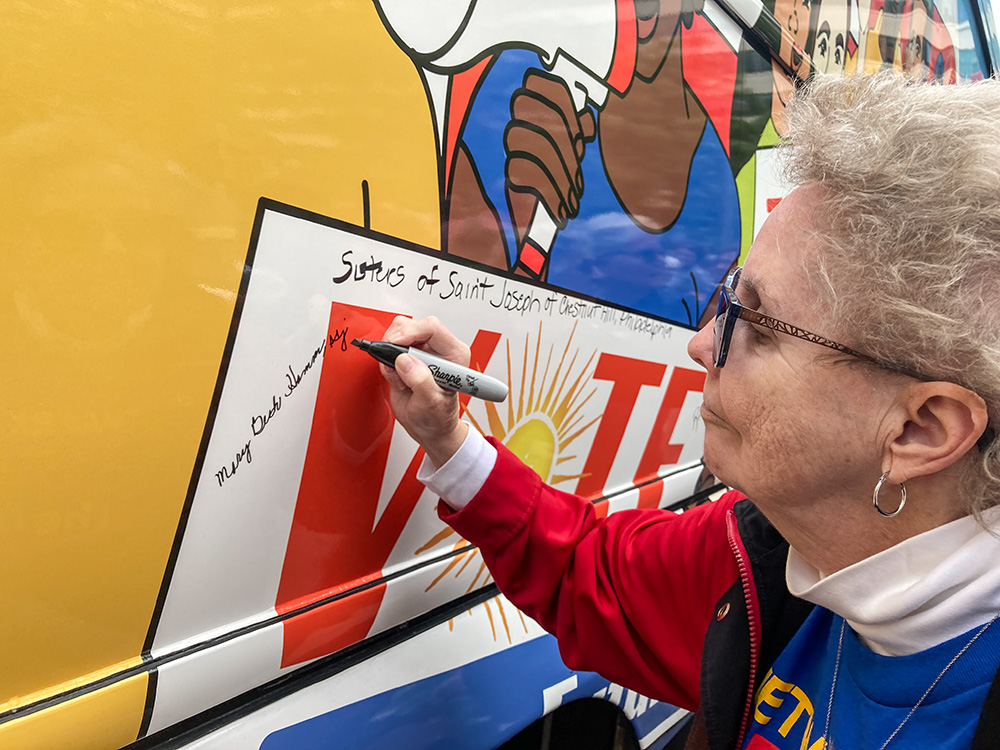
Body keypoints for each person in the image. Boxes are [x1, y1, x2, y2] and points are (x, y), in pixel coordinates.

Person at [378, 72, 1000, 749]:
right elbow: (588, 569)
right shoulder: (768, 558)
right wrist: (448, 439)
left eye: (755, 324)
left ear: (920, 429)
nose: (702, 343)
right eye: (729, 300)